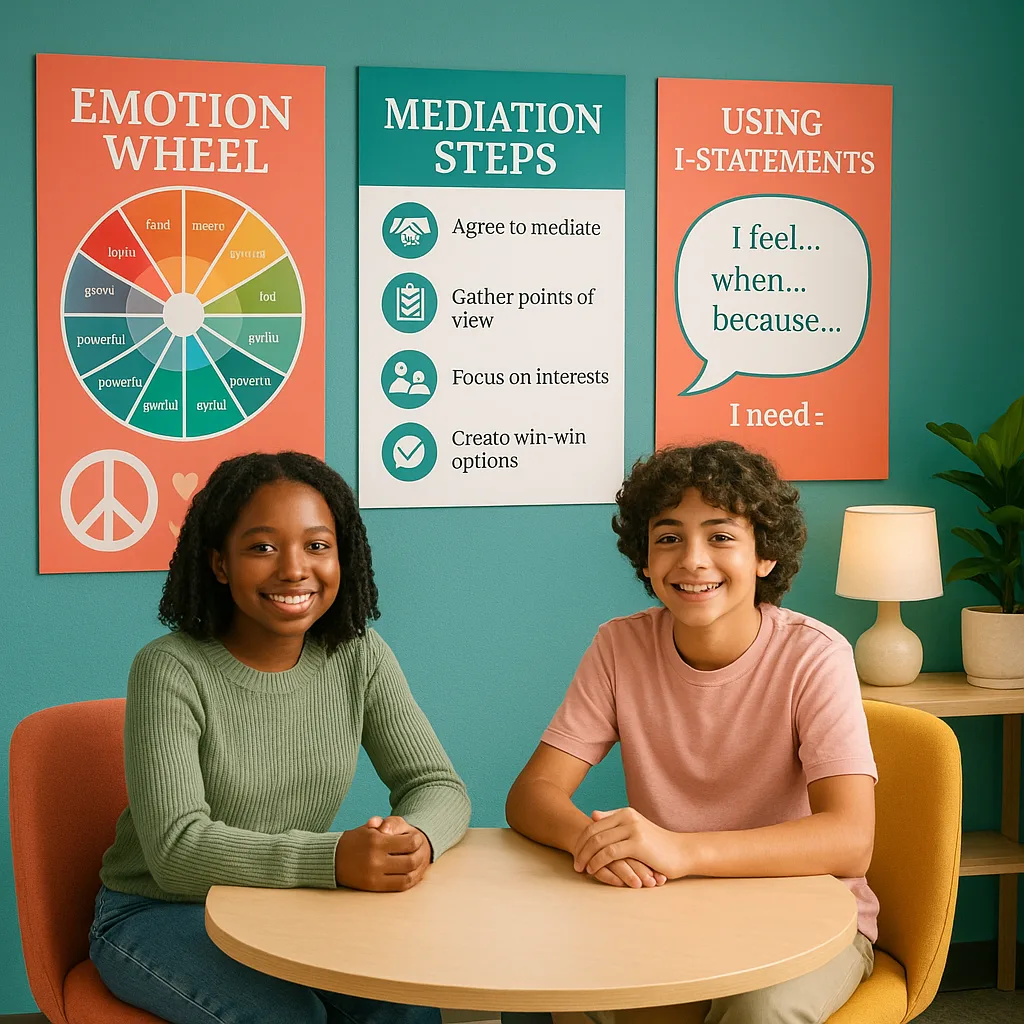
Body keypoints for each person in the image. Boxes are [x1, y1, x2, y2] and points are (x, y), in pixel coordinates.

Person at [90, 451, 471, 1024]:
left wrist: (413, 837)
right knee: (293, 1018)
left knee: (405, 998)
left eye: (317, 545)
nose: (294, 569)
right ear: (220, 564)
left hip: (280, 906)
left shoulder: (358, 655)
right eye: (262, 547)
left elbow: (437, 783)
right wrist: (334, 860)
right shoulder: (170, 668)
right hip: (155, 912)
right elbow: (174, 851)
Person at [505, 441, 877, 1024]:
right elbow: (531, 795)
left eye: (721, 536)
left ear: (765, 557)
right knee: (563, 983)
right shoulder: (618, 646)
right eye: (669, 537)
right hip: (669, 912)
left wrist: (682, 849)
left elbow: (850, 839)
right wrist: (593, 841)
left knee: (760, 1012)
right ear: (646, 560)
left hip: (809, 922)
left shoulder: (815, 655)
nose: (693, 560)